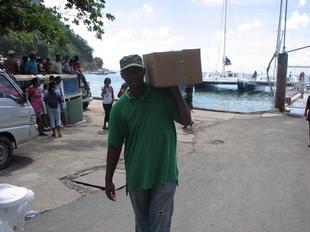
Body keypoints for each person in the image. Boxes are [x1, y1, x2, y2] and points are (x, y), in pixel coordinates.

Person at [105, 54, 191, 232]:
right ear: (122, 76)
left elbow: (186, 120)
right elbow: (114, 145)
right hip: (137, 177)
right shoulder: (119, 109)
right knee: (143, 227)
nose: (133, 76)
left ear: (144, 72)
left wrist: (174, 90)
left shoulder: (161, 95)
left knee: (159, 226)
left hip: (164, 174)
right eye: (129, 73)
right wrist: (108, 179)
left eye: (137, 71)